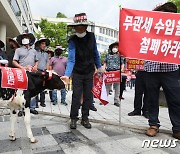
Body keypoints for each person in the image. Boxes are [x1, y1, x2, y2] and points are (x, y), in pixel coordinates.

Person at [145, 2, 180, 140]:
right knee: (152, 98)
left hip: (171, 68)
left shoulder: (177, 29)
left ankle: (177, 127)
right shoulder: (149, 26)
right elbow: (137, 39)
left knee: (175, 99)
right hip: (151, 67)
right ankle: (153, 124)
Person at [61, 13, 103, 129]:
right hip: (77, 72)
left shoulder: (91, 37)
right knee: (76, 95)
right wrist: (67, 75)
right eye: (76, 27)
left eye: (81, 27)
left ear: (85, 27)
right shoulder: (72, 41)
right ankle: (74, 118)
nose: (78, 29)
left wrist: (99, 67)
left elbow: (95, 53)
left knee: (88, 96)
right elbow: (71, 59)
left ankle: (85, 118)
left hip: (89, 71)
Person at [12, 33, 39, 115]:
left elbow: (37, 60)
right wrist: (21, 67)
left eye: (26, 37)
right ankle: (20, 109)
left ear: (30, 39)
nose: (25, 39)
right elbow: (14, 61)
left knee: (33, 89)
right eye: (23, 38)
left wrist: (35, 66)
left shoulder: (34, 51)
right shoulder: (18, 50)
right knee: (21, 90)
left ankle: (32, 107)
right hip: (21, 72)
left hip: (31, 73)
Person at [34, 37, 50, 107]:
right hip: (37, 71)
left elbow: (47, 63)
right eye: (43, 43)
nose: (44, 45)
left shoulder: (46, 54)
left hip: (44, 71)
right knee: (36, 87)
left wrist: (47, 71)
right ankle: (36, 102)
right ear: (39, 44)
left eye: (45, 44)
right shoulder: (35, 52)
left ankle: (42, 102)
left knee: (43, 87)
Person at [103, 42, 120, 107]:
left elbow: (122, 64)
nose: (115, 48)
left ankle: (116, 101)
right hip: (109, 72)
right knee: (107, 86)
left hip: (117, 72)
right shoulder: (108, 55)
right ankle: (104, 100)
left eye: (116, 47)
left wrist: (121, 70)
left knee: (117, 87)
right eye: (114, 47)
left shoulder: (120, 55)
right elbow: (105, 63)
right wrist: (104, 70)